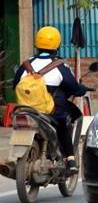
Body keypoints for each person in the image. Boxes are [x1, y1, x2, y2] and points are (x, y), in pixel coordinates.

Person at [12, 27, 86, 173]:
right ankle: (70, 159)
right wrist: (81, 89)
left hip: (26, 109)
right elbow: (73, 87)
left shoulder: (26, 65)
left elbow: (15, 85)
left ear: (37, 43)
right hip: (49, 110)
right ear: (57, 45)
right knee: (63, 124)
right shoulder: (60, 66)